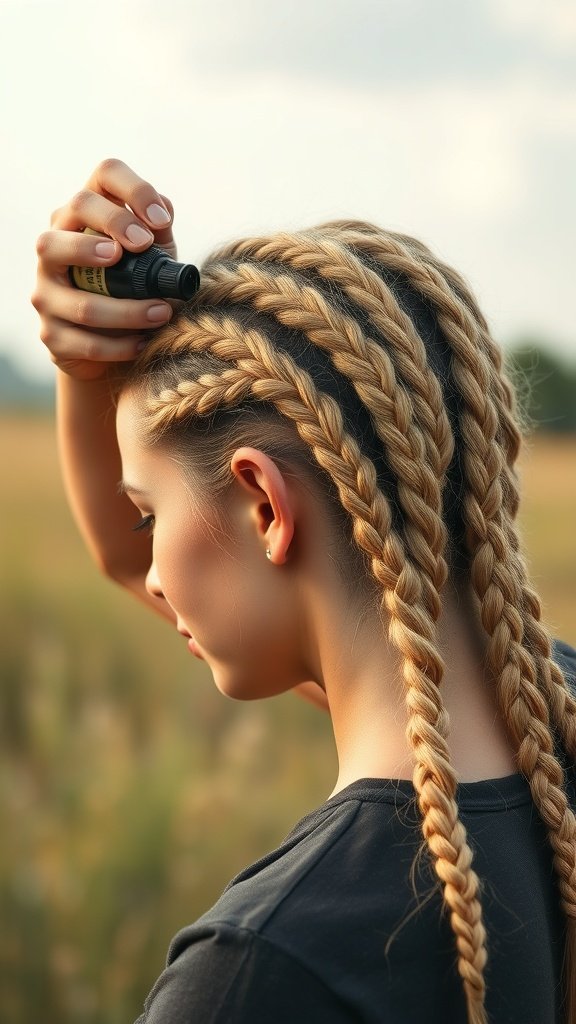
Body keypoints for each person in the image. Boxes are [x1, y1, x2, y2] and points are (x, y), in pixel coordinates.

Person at [33, 158, 576, 1024]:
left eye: (150, 514)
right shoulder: (551, 719)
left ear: (263, 505)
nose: (156, 578)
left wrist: (79, 363)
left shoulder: (258, 973)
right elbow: (127, 561)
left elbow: (129, 567)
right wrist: (86, 368)